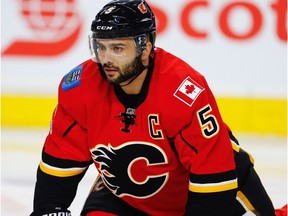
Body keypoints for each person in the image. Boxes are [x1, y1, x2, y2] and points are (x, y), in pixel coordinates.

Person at [30, 0, 280, 215]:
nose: (106, 58)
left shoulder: (182, 91)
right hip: (126, 195)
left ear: (145, 48)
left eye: (118, 48)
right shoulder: (80, 88)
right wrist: (49, 208)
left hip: (217, 191)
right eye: (101, 47)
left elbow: (213, 175)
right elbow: (60, 163)